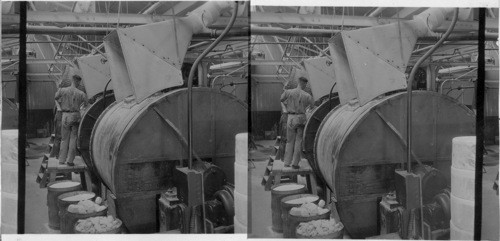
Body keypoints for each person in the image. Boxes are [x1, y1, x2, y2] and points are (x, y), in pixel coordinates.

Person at [280, 77, 314, 169]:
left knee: (289, 141)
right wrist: (305, 108)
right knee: (298, 141)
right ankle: (295, 164)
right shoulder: (307, 95)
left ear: (298, 83)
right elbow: (313, 106)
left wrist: (287, 106)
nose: (305, 86)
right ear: (303, 84)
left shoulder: (289, 92)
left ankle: (287, 163)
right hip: (301, 118)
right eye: (305, 84)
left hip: (291, 118)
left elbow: (281, 99)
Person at [55, 74, 87, 166]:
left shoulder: (62, 90)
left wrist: (61, 106)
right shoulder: (81, 93)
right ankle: (70, 161)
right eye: (79, 82)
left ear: (72, 80)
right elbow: (86, 103)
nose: (79, 84)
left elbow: (56, 98)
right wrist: (80, 108)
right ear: (76, 81)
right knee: (73, 139)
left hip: (65, 115)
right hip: (76, 115)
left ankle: (61, 160)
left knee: (64, 139)